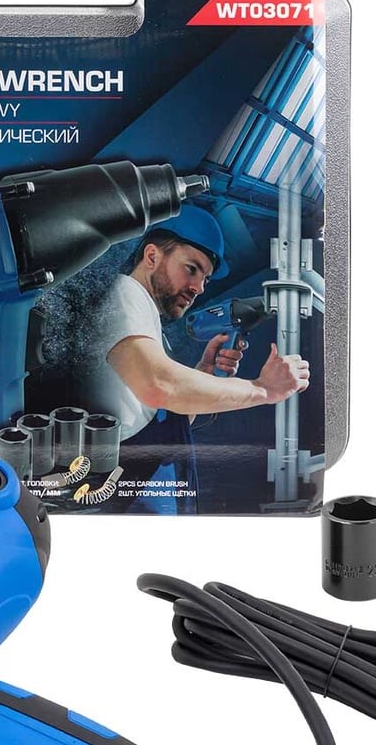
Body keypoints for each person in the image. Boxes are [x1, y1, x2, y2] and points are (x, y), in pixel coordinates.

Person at [90, 205, 309, 514]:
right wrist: (263, 389)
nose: (199, 288)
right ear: (151, 256)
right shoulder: (126, 294)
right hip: (128, 489)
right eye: (191, 268)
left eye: (205, 278)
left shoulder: (148, 322)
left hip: (147, 483)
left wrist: (203, 372)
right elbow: (159, 387)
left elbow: (164, 416)